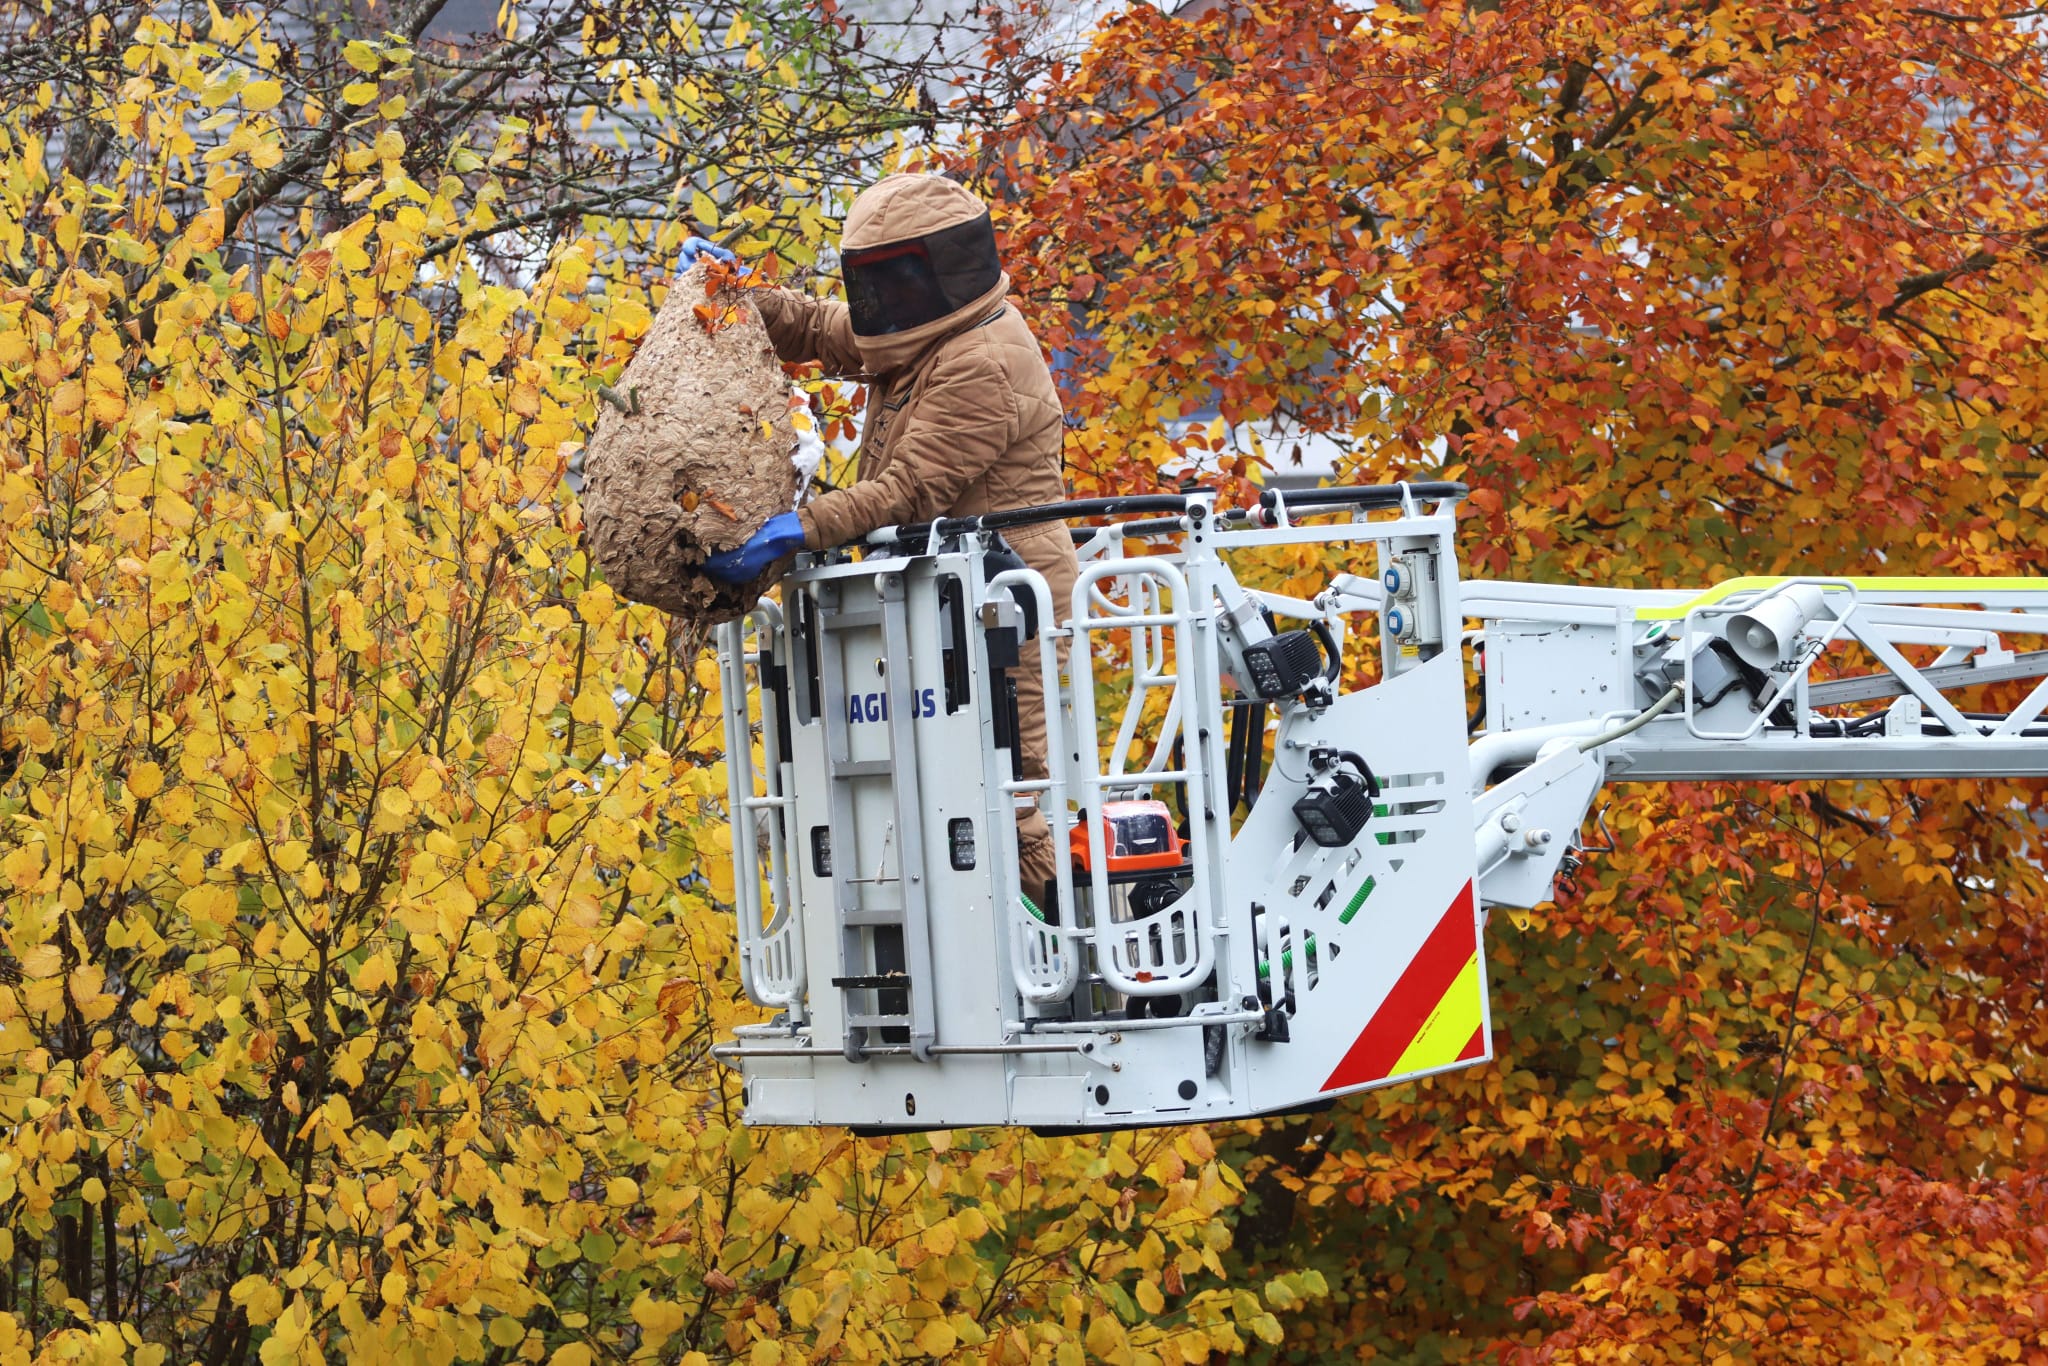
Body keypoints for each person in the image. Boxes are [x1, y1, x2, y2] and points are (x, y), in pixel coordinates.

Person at [688, 172, 1080, 906]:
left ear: (933, 270)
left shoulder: (987, 358)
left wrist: (798, 529)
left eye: (893, 279)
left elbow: (909, 490)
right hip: (941, 601)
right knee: (920, 790)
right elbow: (819, 329)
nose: (880, 299)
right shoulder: (922, 334)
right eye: (872, 281)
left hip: (1007, 608)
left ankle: (1060, 957)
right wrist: (737, 294)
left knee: (1011, 792)